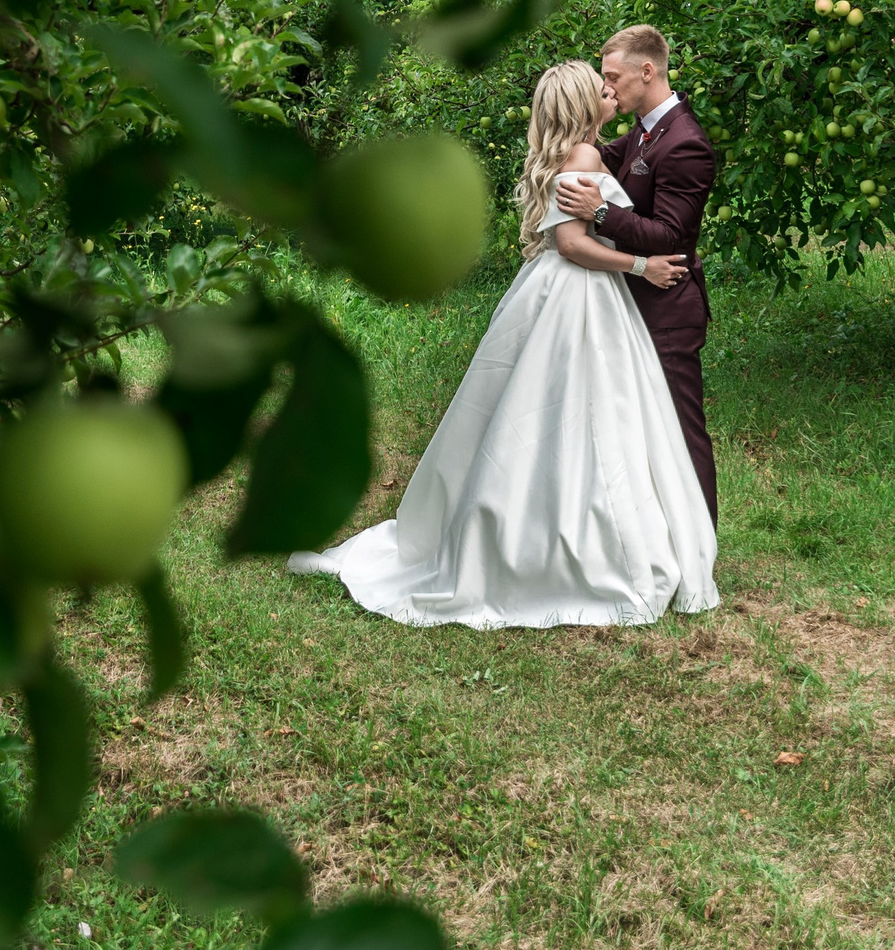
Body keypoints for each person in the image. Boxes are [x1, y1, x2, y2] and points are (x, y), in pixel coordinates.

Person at [288, 60, 719, 628]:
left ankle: (560, 525)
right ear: (582, 105)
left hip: (561, 290)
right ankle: (568, 543)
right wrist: (642, 265)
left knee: (564, 409)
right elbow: (572, 243)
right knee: (580, 409)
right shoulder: (583, 156)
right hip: (578, 291)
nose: (611, 92)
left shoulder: (585, 150)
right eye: (602, 88)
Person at [555, 24, 719, 521]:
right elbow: (587, 158)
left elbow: (670, 235)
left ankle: (701, 538)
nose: (607, 88)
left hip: (668, 305)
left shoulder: (685, 143)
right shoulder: (644, 132)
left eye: (612, 78)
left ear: (647, 71)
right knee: (641, 428)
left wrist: (601, 212)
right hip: (632, 300)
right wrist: (583, 121)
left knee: (681, 427)